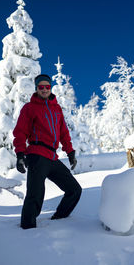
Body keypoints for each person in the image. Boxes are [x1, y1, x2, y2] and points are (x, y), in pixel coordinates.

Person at [13, 74, 82, 229]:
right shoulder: (29, 108)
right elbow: (20, 132)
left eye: (47, 87)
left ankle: (60, 220)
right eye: (41, 87)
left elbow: (63, 132)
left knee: (74, 190)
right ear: (36, 88)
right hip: (37, 155)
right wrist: (20, 154)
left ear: (51, 88)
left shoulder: (56, 108)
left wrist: (70, 152)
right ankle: (27, 229)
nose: (44, 89)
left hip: (52, 156)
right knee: (35, 195)